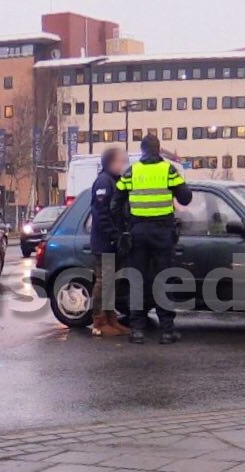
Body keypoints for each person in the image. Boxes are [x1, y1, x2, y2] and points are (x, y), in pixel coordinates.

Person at [111, 134, 191, 345]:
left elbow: (115, 203)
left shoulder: (132, 171)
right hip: (162, 234)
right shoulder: (167, 170)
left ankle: (137, 330)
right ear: (158, 149)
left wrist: (124, 229)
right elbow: (186, 198)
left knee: (137, 281)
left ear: (143, 150)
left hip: (137, 233)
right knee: (164, 280)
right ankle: (167, 330)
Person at [90, 147, 130, 337]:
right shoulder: (103, 182)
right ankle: (99, 321)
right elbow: (101, 215)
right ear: (111, 163)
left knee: (111, 283)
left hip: (114, 242)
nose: (124, 165)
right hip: (105, 242)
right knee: (103, 281)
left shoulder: (116, 181)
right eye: (122, 161)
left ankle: (111, 318)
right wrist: (115, 235)